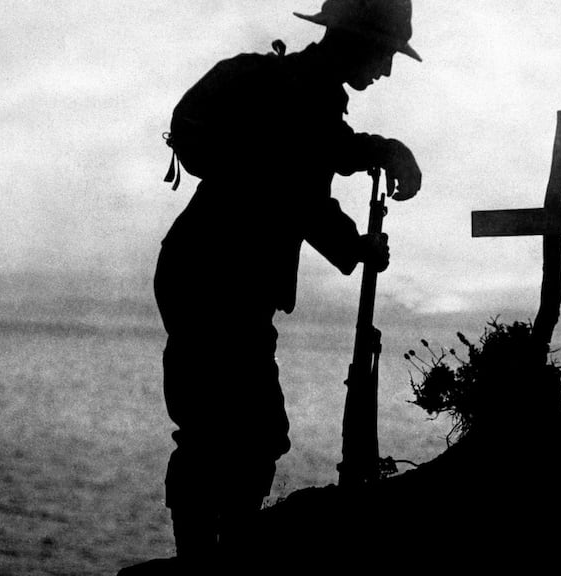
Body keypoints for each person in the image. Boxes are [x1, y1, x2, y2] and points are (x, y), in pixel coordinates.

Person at [153, 0, 423, 564]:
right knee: (235, 433)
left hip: (208, 272)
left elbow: (322, 154)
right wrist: (358, 246)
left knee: (233, 430)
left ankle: (214, 554)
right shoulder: (303, 98)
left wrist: (380, 152)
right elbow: (302, 193)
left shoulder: (302, 94)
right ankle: (209, 560)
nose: (388, 70)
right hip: (216, 278)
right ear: (355, 40)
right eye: (386, 53)